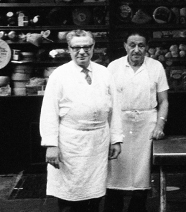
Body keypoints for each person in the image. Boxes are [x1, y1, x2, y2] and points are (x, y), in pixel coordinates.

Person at [39, 29, 123, 212]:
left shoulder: (104, 73)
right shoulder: (59, 76)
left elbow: (115, 108)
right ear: (68, 49)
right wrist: (51, 145)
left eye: (86, 47)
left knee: (95, 195)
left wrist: (116, 139)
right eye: (76, 47)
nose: (82, 51)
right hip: (71, 145)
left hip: (98, 143)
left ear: (93, 48)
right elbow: (48, 112)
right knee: (70, 197)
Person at [105, 32, 169, 212]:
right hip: (120, 124)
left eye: (141, 45)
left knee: (141, 176)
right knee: (115, 172)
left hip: (146, 126)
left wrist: (159, 125)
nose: (136, 50)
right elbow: (106, 101)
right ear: (125, 46)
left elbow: (164, 100)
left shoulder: (156, 67)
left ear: (146, 47)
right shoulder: (113, 67)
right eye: (132, 45)